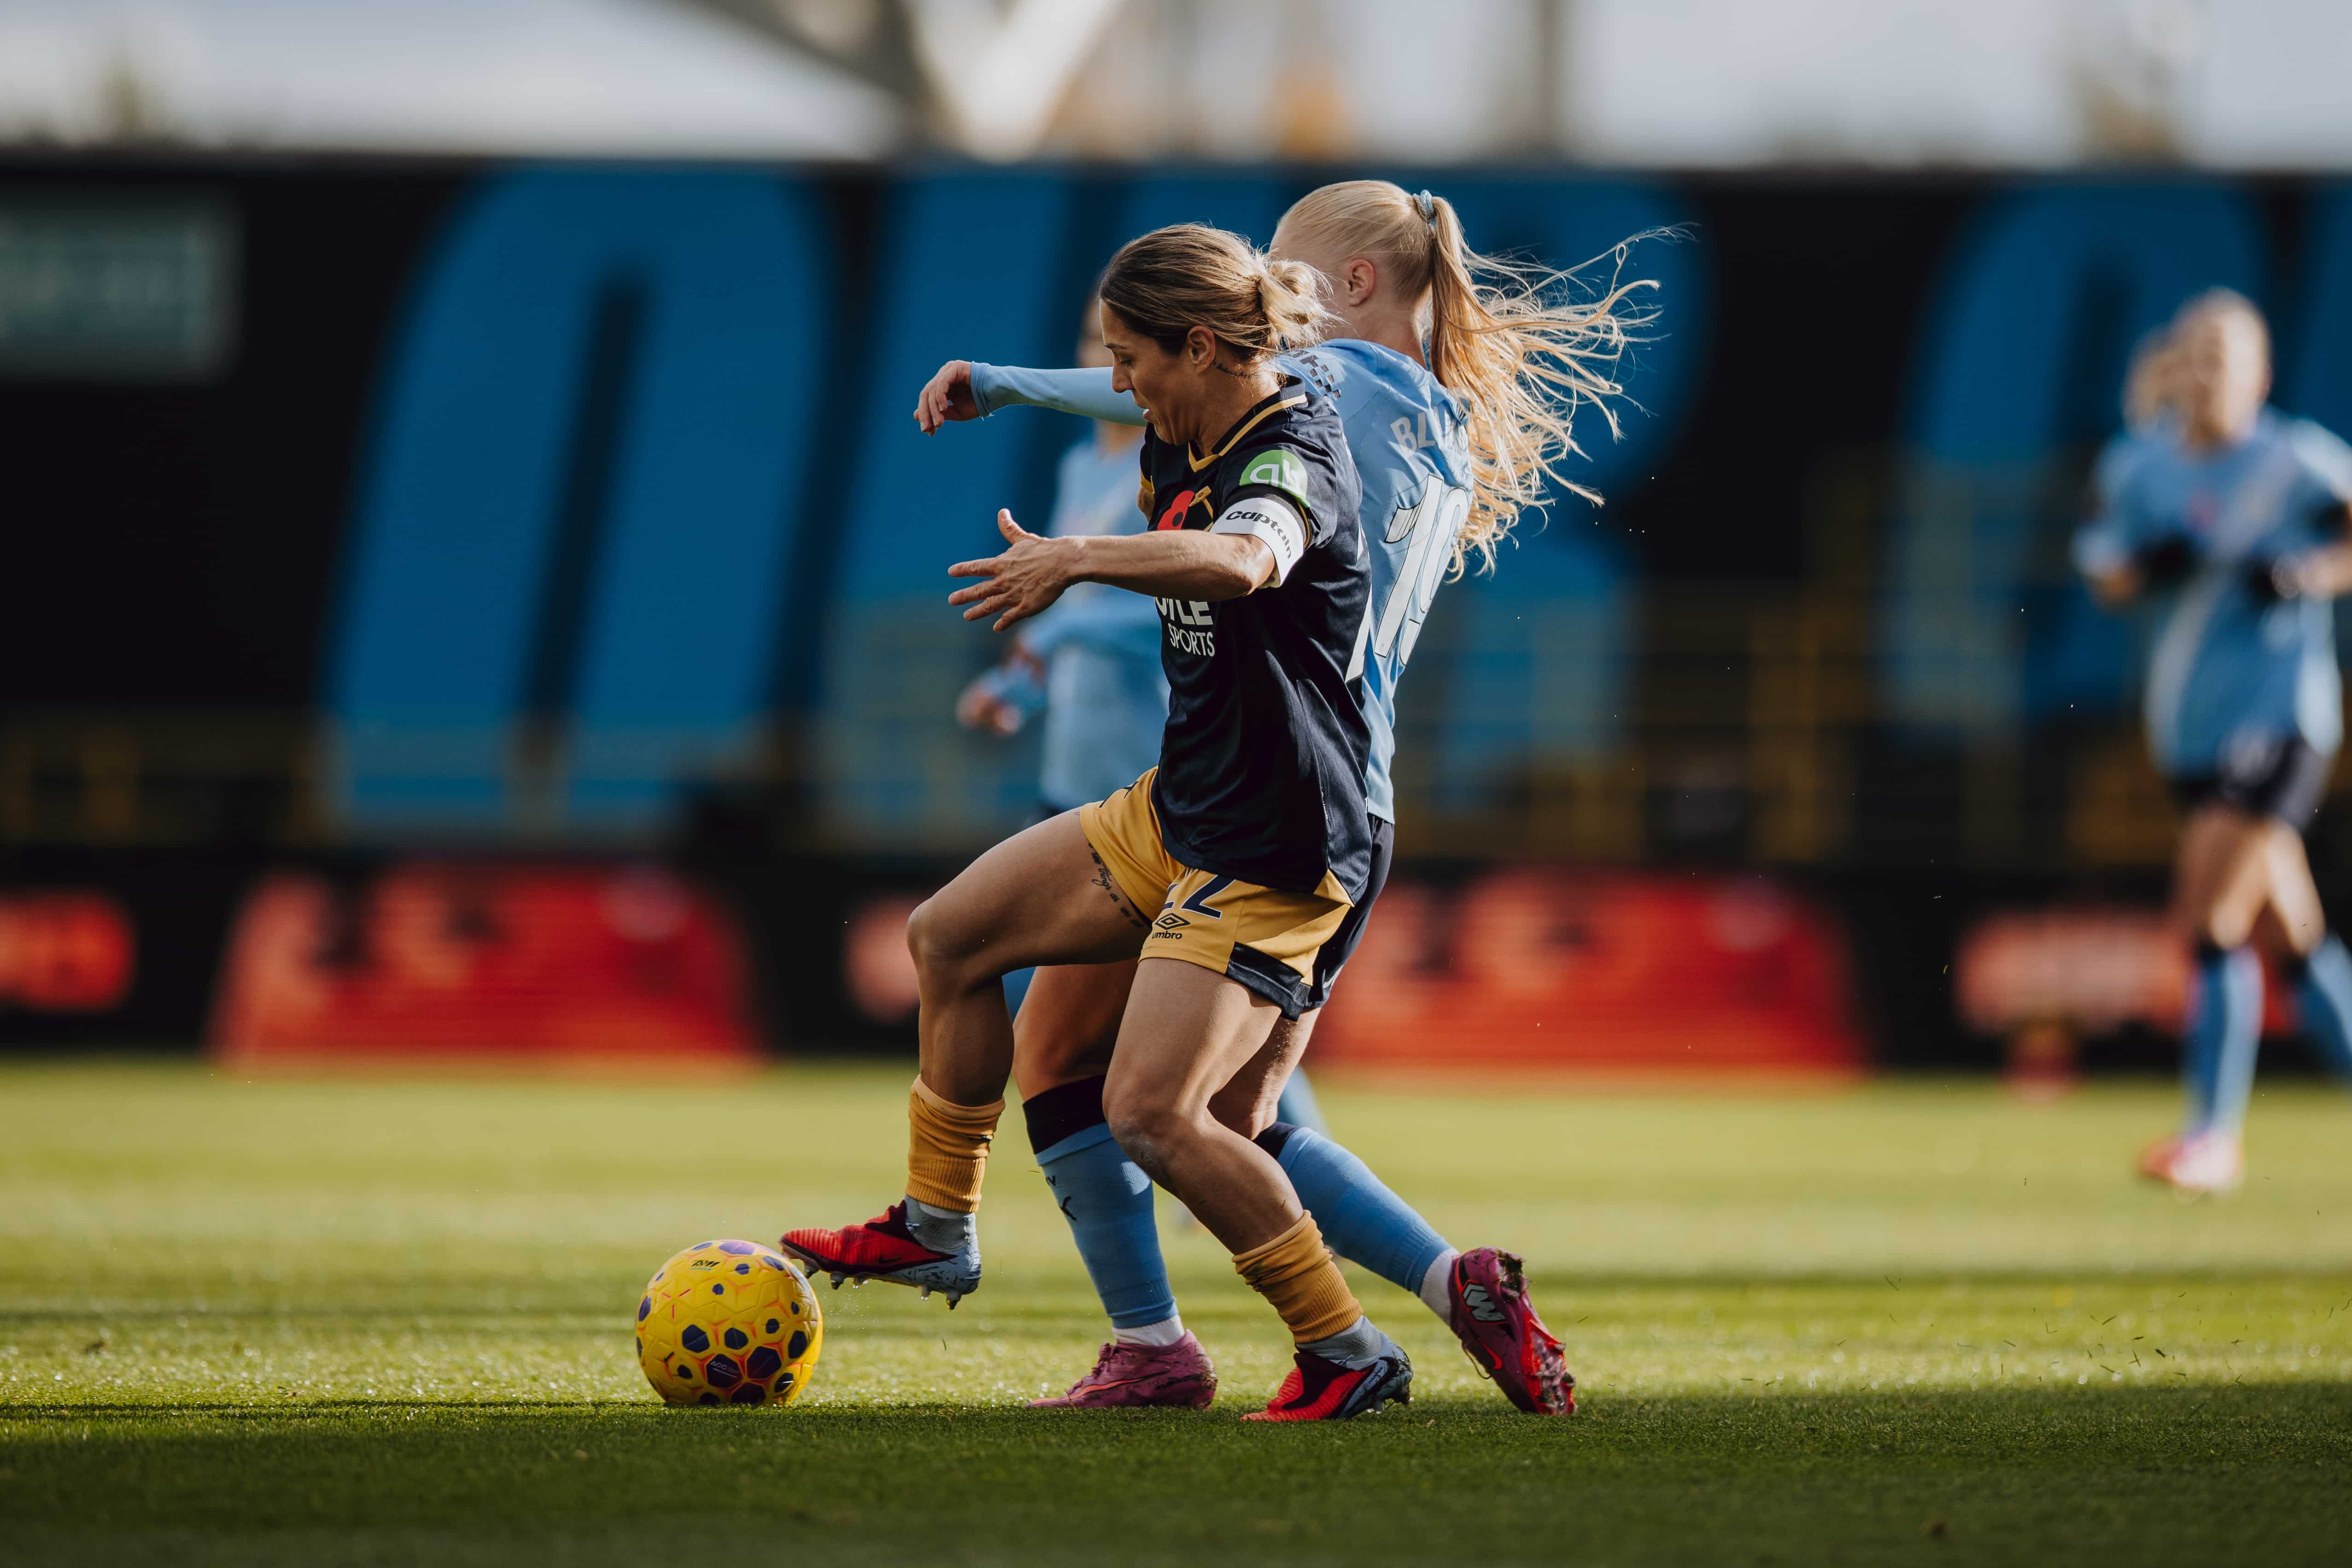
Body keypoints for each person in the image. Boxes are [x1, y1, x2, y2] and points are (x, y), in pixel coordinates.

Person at [885, 181, 1650, 1413]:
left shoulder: (1327, 395)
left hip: (1273, 790)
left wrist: (1023, 399)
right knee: (1216, 1110)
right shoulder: (1430, 418)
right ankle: (1437, 1285)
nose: (1265, 310)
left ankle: (1294, 1347)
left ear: (1348, 289)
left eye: (1283, 284)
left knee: (1157, 1105)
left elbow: (1230, 505)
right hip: (1300, 777)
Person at [786, 222, 1416, 1420]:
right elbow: (1119, 388)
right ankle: (936, 1223)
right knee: (948, 937)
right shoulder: (1195, 400)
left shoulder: (1293, 451)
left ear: (1198, 343)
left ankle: (1348, 1347)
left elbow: (1244, 561)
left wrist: (1079, 556)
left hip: (1275, 845)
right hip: (1179, 808)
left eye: (1133, 360)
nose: (1117, 386)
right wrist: (1001, 383)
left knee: (1156, 1116)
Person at [957, 297, 1333, 1147]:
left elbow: (1160, 596)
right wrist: (1019, 690)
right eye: (1101, 348)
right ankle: (1204, 1171)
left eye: (1123, 353)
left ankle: (1286, 1181)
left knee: (1195, 1033)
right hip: (1072, 778)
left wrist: (1067, 599)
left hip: (1155, 782)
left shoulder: (1190, 462)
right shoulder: (1084, 467)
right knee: (1049, 1018)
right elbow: (1070, 607)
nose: (1114, 375)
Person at [2075, 289, 2352, 1194]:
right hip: (2193, 728)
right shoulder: (2140, 467)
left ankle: (2211, 1137)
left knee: (2211, 921)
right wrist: (2142, 563)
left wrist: (2312, 569)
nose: (2206, 377)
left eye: (2223, 360)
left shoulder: (2296, 461)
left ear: (2259, 374)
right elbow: (2107, 568)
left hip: (2282, 722)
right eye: (2193, 358)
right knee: (2298, 944)